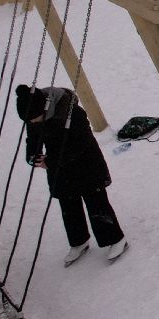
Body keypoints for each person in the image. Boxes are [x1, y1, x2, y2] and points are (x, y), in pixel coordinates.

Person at [15, 84, 127, 266]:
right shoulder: (33, 113)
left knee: (96, 202)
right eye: (31, 122)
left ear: (44, 108)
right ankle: (78, 241)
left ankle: (115, 239)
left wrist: (49, 162)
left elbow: (80, 144)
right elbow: (33, 138)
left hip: (86, 164)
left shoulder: (71, 113)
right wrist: (32, 156)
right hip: (60, 168)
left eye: (36, 120)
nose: (34, 123)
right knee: (68, 205)